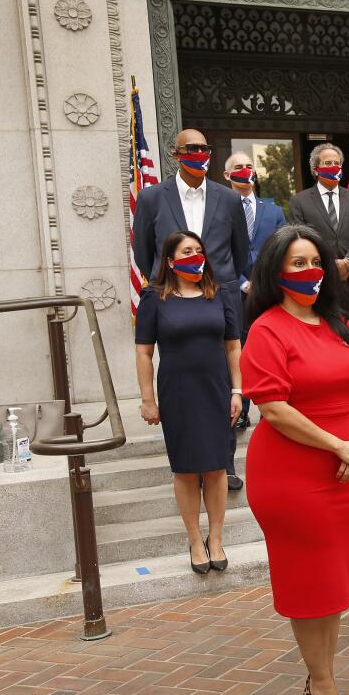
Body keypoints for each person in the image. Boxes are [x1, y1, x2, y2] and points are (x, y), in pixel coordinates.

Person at [240, 224, 349, 695]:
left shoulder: (341, 322)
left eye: (315, 260)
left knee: (335, 579)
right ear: (275, 272)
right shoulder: (267, 330)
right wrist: (337, 444)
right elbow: (273, 408)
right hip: (293, 475)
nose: (310, 270)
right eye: (297, 263)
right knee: (309, 581)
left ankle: (321, 673)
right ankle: (322, 685)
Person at [133, 128, 250, 490]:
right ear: (176, 154)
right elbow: (143, 252)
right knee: (184, 377)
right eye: (192, 149)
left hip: (219, 295)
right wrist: (170, 282)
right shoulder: (153, 197)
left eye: (205, 148)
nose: (200, 154)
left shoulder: (228, 198)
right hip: (173, 297)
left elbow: (240, 251)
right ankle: (188, 463)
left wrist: (218, 283)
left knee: (221, 379)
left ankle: (223, 463)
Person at [134, 230, 241, 576]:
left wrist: (237, 391)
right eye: (186, 252)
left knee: (215, 466)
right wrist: (147, 399)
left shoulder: (219, 294)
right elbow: (144, 352)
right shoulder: (155, 298)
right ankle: (195, 540)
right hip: (178, 392)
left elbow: (233, 347)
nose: (194, 256)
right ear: (170, 261)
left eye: (198, 250)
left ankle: (216, 539)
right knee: (185, 469)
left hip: (215, 390)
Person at [225, 151, 286, 429]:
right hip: (232, 292)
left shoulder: (273, 210)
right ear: (227, 175)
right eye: (238, 167)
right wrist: (240, 281)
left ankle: (272, 407)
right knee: (238, 349)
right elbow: (217, 250)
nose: (245, 170)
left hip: (268, 291)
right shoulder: (221, 208)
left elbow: (283, 247)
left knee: (270, 349)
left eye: (249, 166)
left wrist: (264, 280)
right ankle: (242, 410)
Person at [287, 143, 349, 332]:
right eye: (327, 163)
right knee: (323, 333)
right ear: (316, 169)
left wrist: (347, 262)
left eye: (337, 163)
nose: (333, 166)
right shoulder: (299, 201)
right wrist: (329, 265)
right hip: (318, 280)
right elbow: (299, 238)